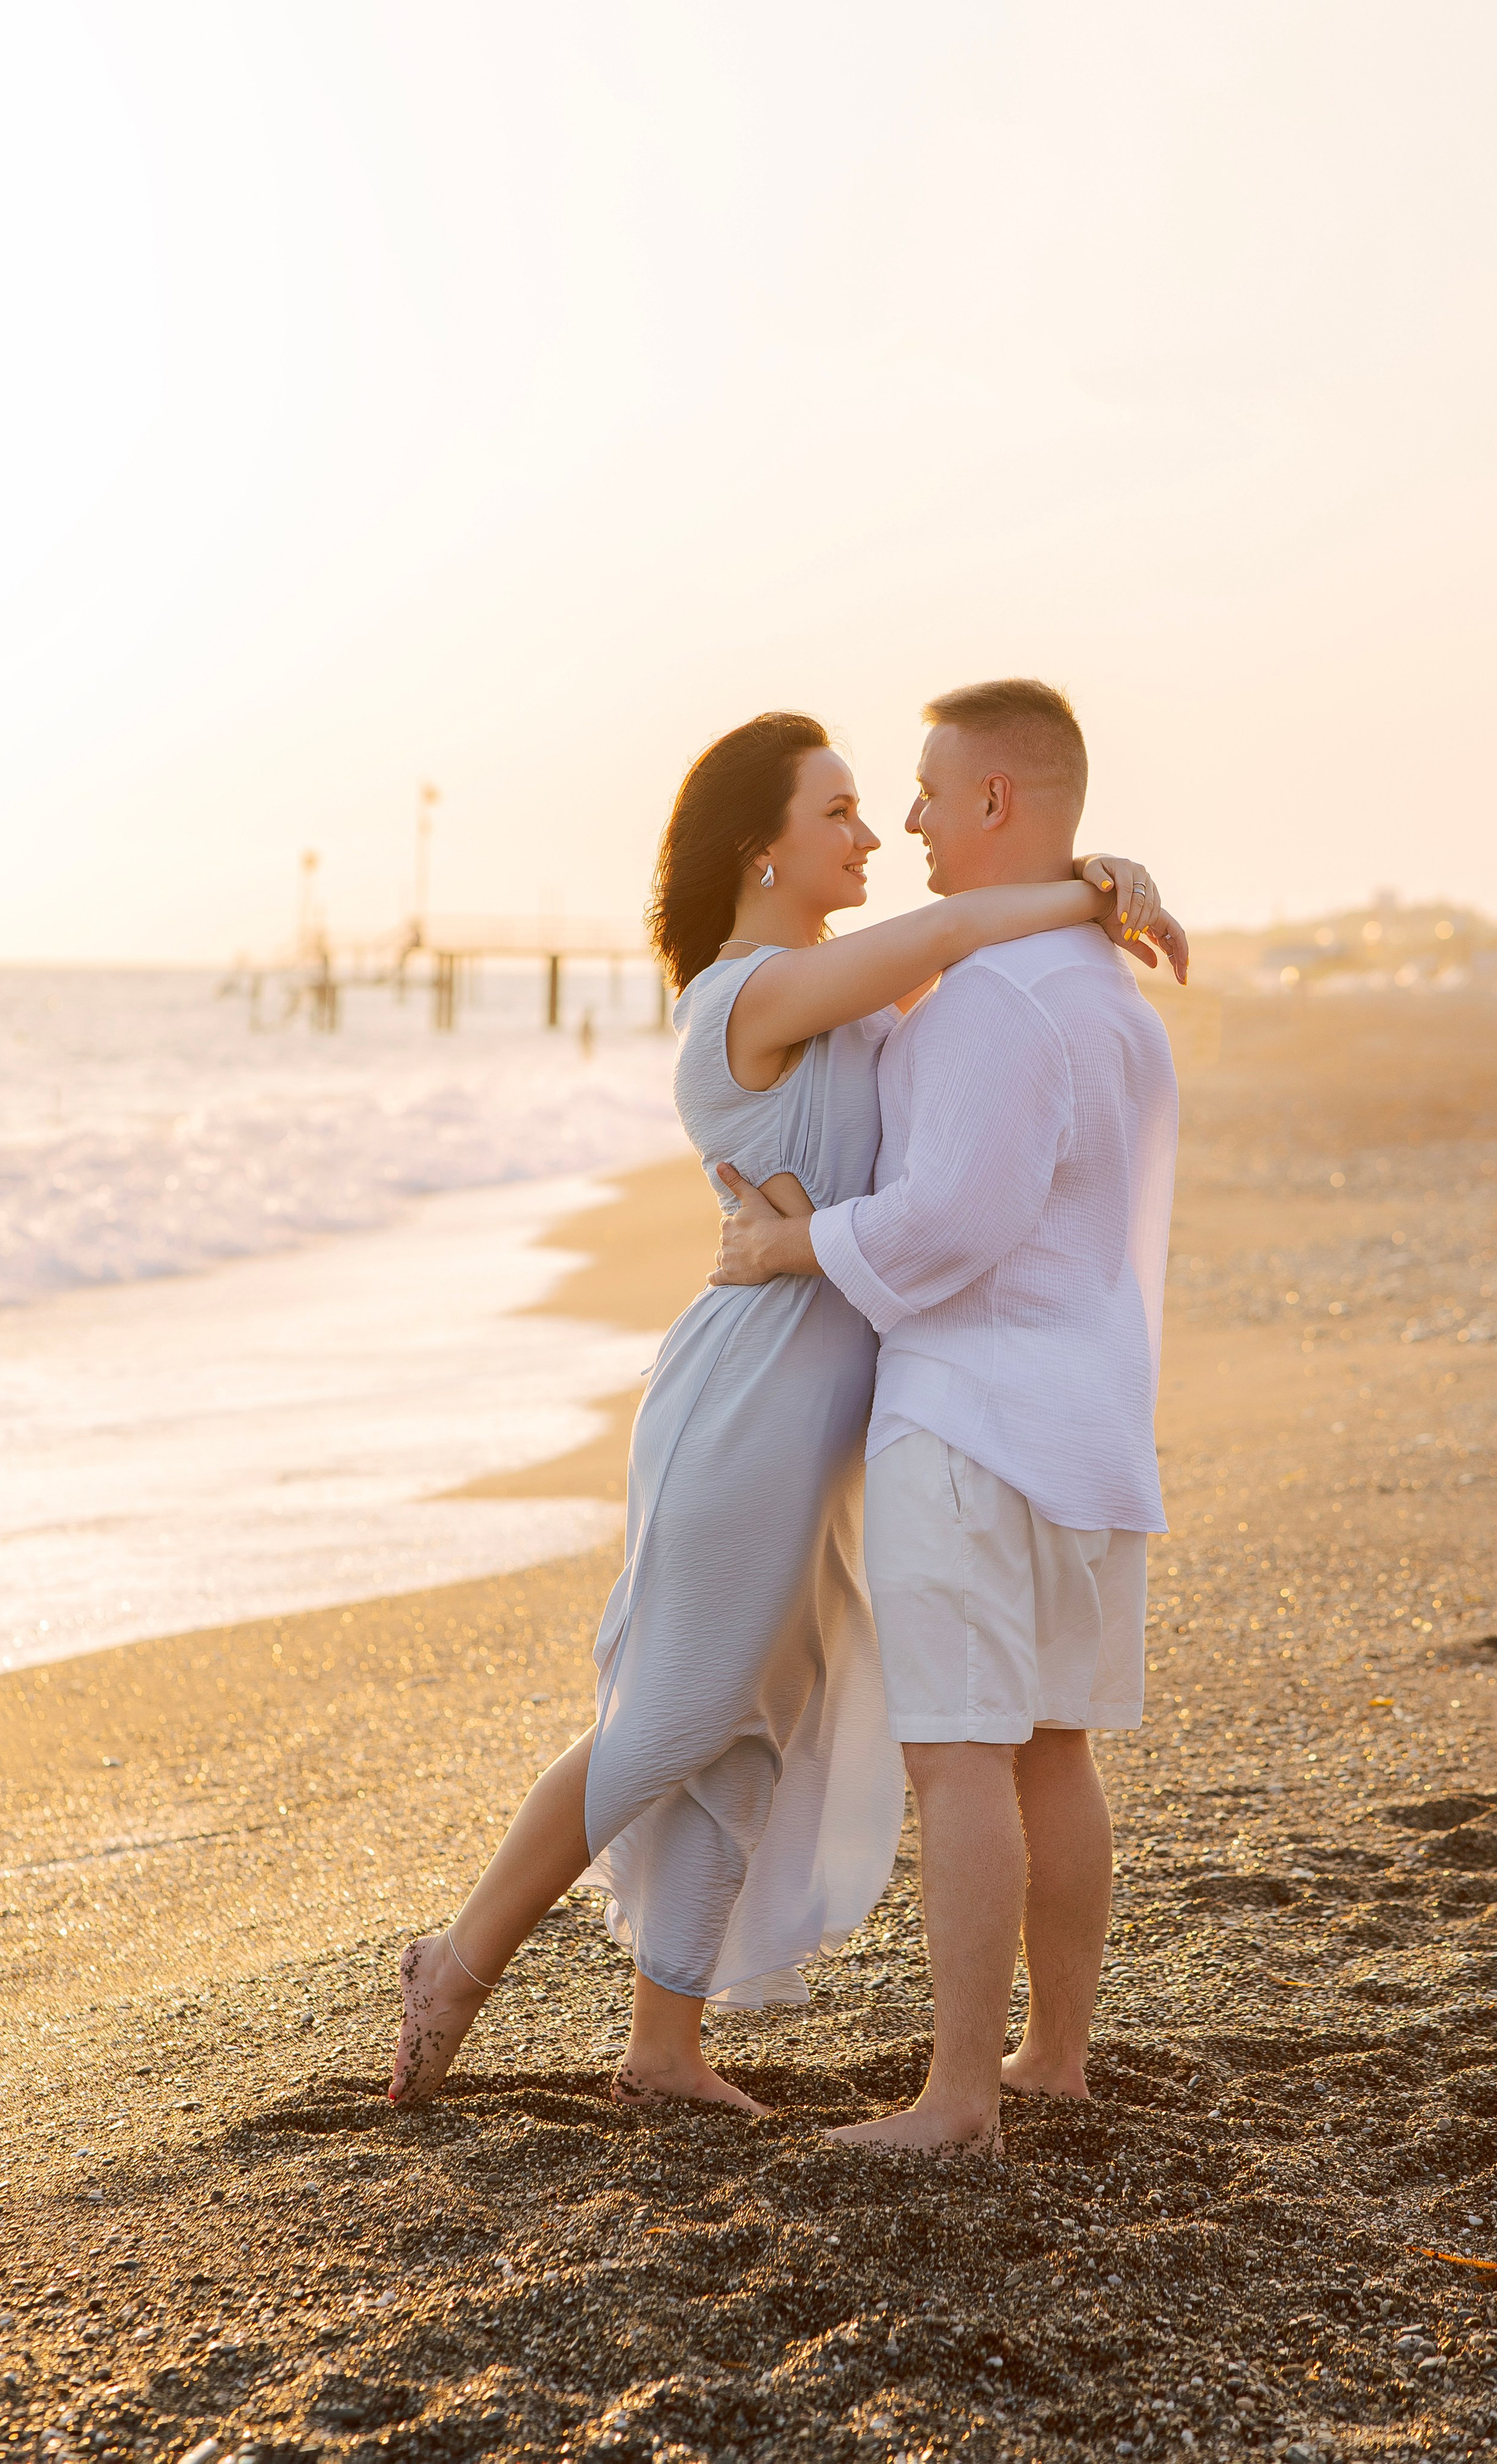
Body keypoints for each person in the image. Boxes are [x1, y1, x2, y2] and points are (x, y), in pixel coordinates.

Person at [388, 706, 1182, 2111]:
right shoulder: (745, 998)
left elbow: (959, 1032)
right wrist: (1087, 885)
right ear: (760, 847)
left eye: (880, 809)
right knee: (678, 1711)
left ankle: (662, 2048)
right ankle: (453, 1963)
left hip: (826, 1406)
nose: (873, 835)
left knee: (754, 1720)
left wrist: (1092, 873)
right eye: (838, 813)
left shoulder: (854, 997)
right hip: (748, 1392)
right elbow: (951, 942)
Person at [712, 678, 1180, 2153]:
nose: (905, 818)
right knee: (1051, 1750)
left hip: (975, 1428)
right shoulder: (1095, 984)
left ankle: (960, 2099)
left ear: (994, 803)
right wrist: (1100, 886)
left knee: (960, 1757)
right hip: (1087, 1424)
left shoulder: (999, 995)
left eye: (925, 790)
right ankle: (1048, 2060)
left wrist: (788, 1248)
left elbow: (951, 1218)